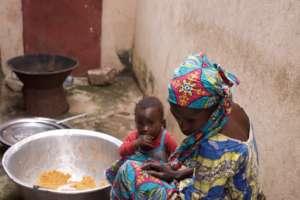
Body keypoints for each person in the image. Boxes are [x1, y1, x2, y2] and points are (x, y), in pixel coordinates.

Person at [110, 52, 264, 199]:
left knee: (127, 171)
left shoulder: (214, 147)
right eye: (177, 117)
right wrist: (178, 174)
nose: (183, 127)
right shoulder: (231, 109)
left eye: (190, 120)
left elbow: (210, 178)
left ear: (211, 108)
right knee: (136, 165)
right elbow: (221, 170)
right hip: (230, 190)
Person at [105, 96, 178, 184]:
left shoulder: (166, 138)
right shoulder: (134, 136)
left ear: (162, 123)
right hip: (135, 177)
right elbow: (121, 151)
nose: (145, 128)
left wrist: (170, 166)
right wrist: (136, 144)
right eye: (140, 123)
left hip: (157, 178)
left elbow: (178, 156)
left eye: (150, 123)